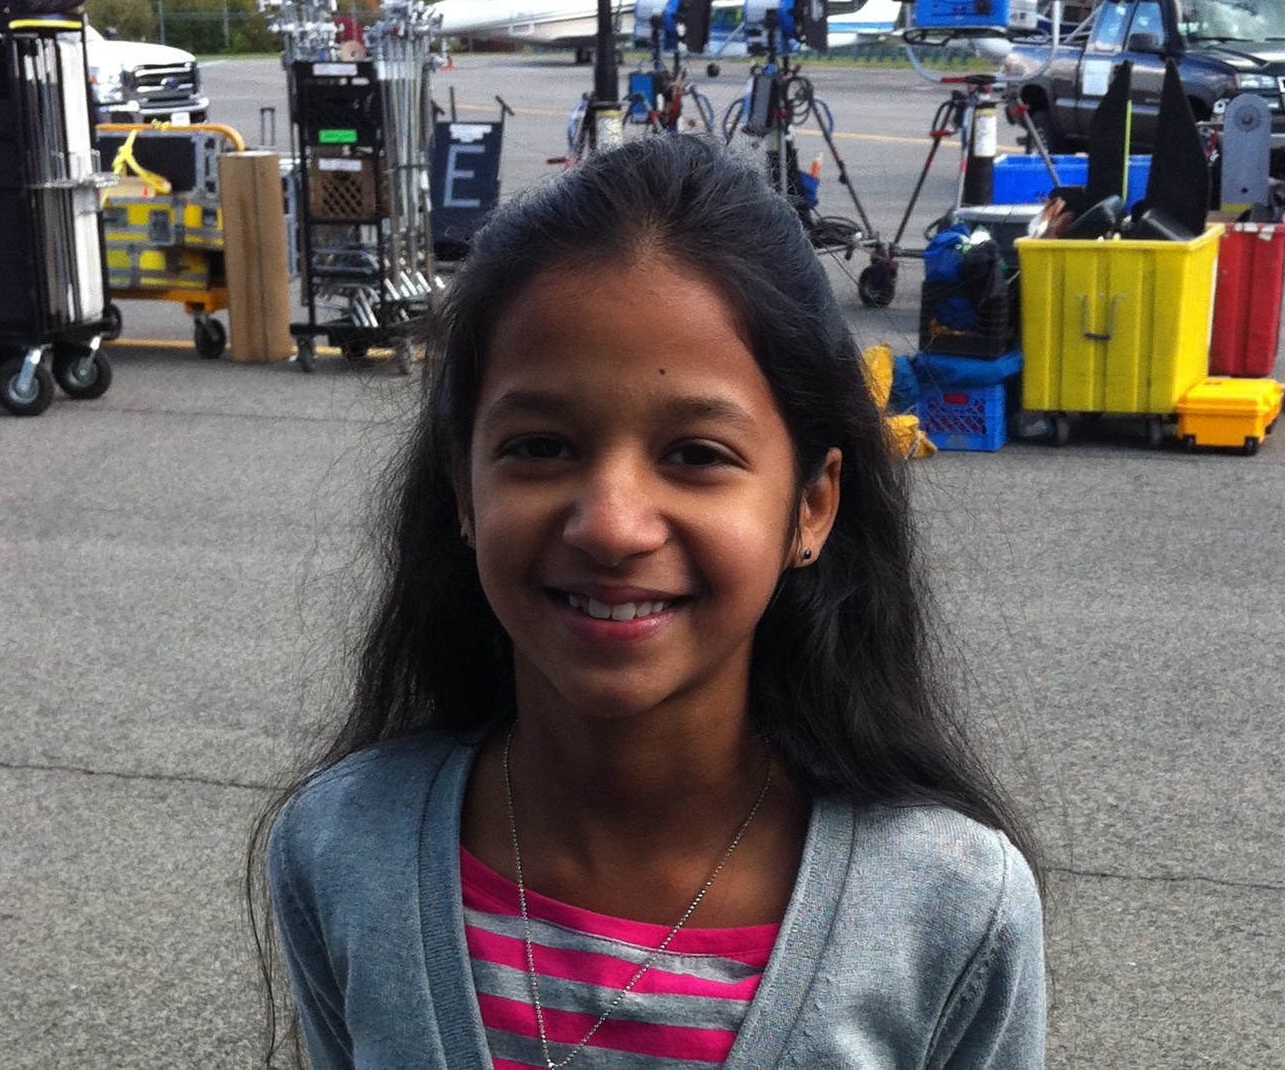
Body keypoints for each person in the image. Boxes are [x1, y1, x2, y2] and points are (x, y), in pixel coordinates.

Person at [253, 135, 1045, 1069]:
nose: (613, 525)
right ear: (462, 489)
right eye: (541, 446)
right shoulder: (343, 850)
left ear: (812, 505)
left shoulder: (950, 907)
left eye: (697, 455)